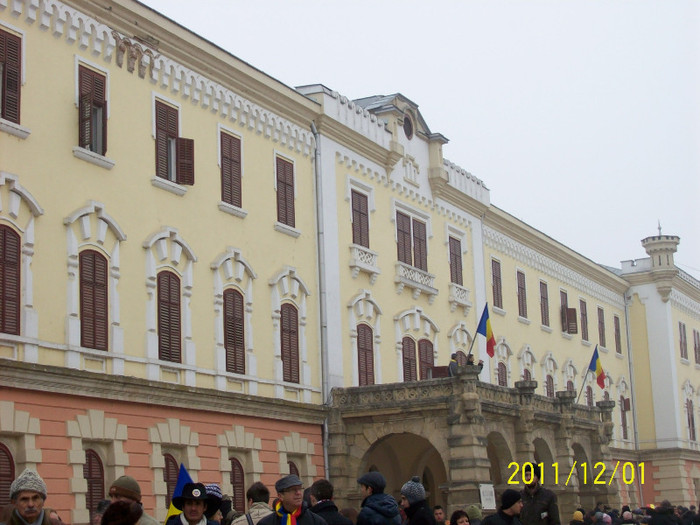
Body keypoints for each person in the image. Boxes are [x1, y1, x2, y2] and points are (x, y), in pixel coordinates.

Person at [257, 475, 326, 525]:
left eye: (299, 488)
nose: (298, 493)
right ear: (280, 496)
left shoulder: (316, 521)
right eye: (293, 490)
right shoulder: (266, 523)